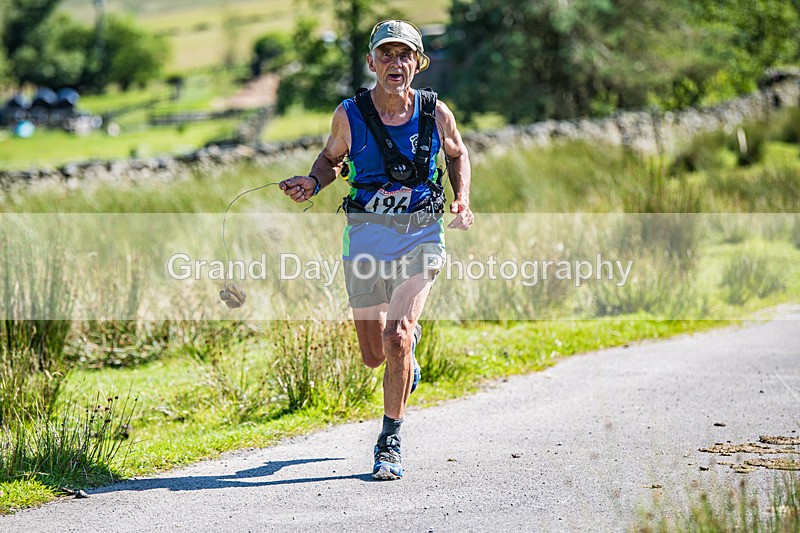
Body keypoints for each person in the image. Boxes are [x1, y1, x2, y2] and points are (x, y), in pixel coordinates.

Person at [280, 19, 473, 480]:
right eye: (385, 54)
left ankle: (389, 442)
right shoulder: (349, 115)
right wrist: (311, 182)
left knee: (396, 335)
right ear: (371, 62)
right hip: (365, 238)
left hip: (421, 234)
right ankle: (407, 364)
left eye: (404, 54)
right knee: (373, 355)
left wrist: (462, 197)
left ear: (418, 64)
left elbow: (457, 153)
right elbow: (329, 161)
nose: (395, 62)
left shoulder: (436, 113)